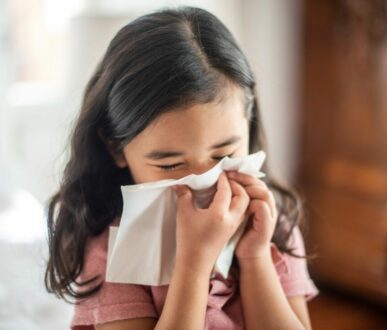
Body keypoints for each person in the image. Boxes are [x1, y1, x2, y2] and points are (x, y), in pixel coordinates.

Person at [45, 6, 318, 330]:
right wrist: (193, 264)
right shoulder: (111, 249)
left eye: (223, 155)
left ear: (249, 123)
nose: (204, 182)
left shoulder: (272, 225)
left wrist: (255, 258)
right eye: (171, 164)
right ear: (116, 148)